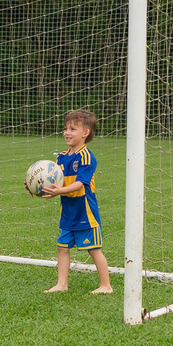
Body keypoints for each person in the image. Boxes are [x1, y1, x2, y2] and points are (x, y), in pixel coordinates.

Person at [36, 109, 113, 295]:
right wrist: (36, 186)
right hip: (67, 213)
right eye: (65, 128)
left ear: (85, 133)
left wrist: (60, 191)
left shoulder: (86, 156)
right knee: (62, 247)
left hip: (85, 212)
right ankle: (61, 284)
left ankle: (106, 286)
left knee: (93, 249)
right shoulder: (61, 157)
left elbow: (80, 184)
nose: (67, 132)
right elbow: (53, 179)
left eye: (72, 129)